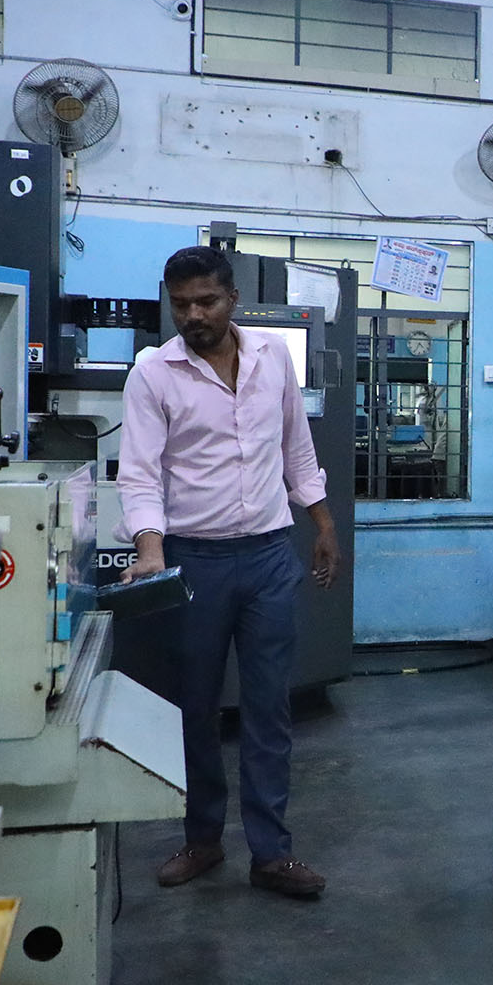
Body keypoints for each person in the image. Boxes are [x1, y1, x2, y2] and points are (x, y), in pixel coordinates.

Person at [117, 245, 340, 898]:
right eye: (181, 304)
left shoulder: (273, 358)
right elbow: (139, 473)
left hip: (269, 553)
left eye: (206, 302)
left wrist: (323, 523)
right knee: (197, 707)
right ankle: (203, 838)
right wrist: (151, 548)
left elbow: (297, 447)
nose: (194, 315)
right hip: (195, 559)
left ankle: (271, 852)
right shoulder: (153, 374)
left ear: (232, 299)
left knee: (269, 707)